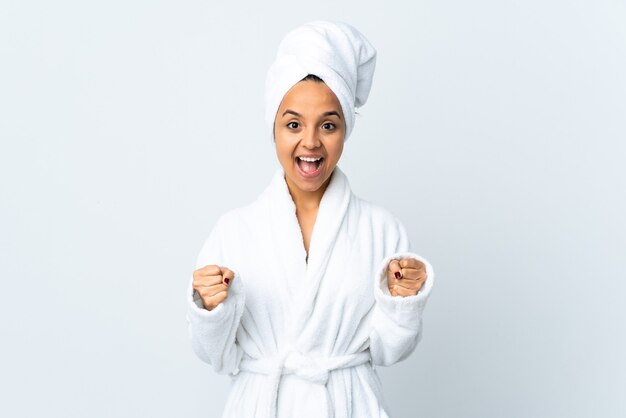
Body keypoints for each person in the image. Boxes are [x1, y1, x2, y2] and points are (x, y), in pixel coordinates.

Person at [186, 20, 435, 418]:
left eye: (329, 125)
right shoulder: (235, 231)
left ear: (345, 130)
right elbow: (213, 353)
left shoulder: (380, 229)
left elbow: (389, 351)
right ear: (274, 127)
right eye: (293, 124)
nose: (311, 142)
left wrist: (402, 305)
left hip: (348, 405)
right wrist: (208, 308)